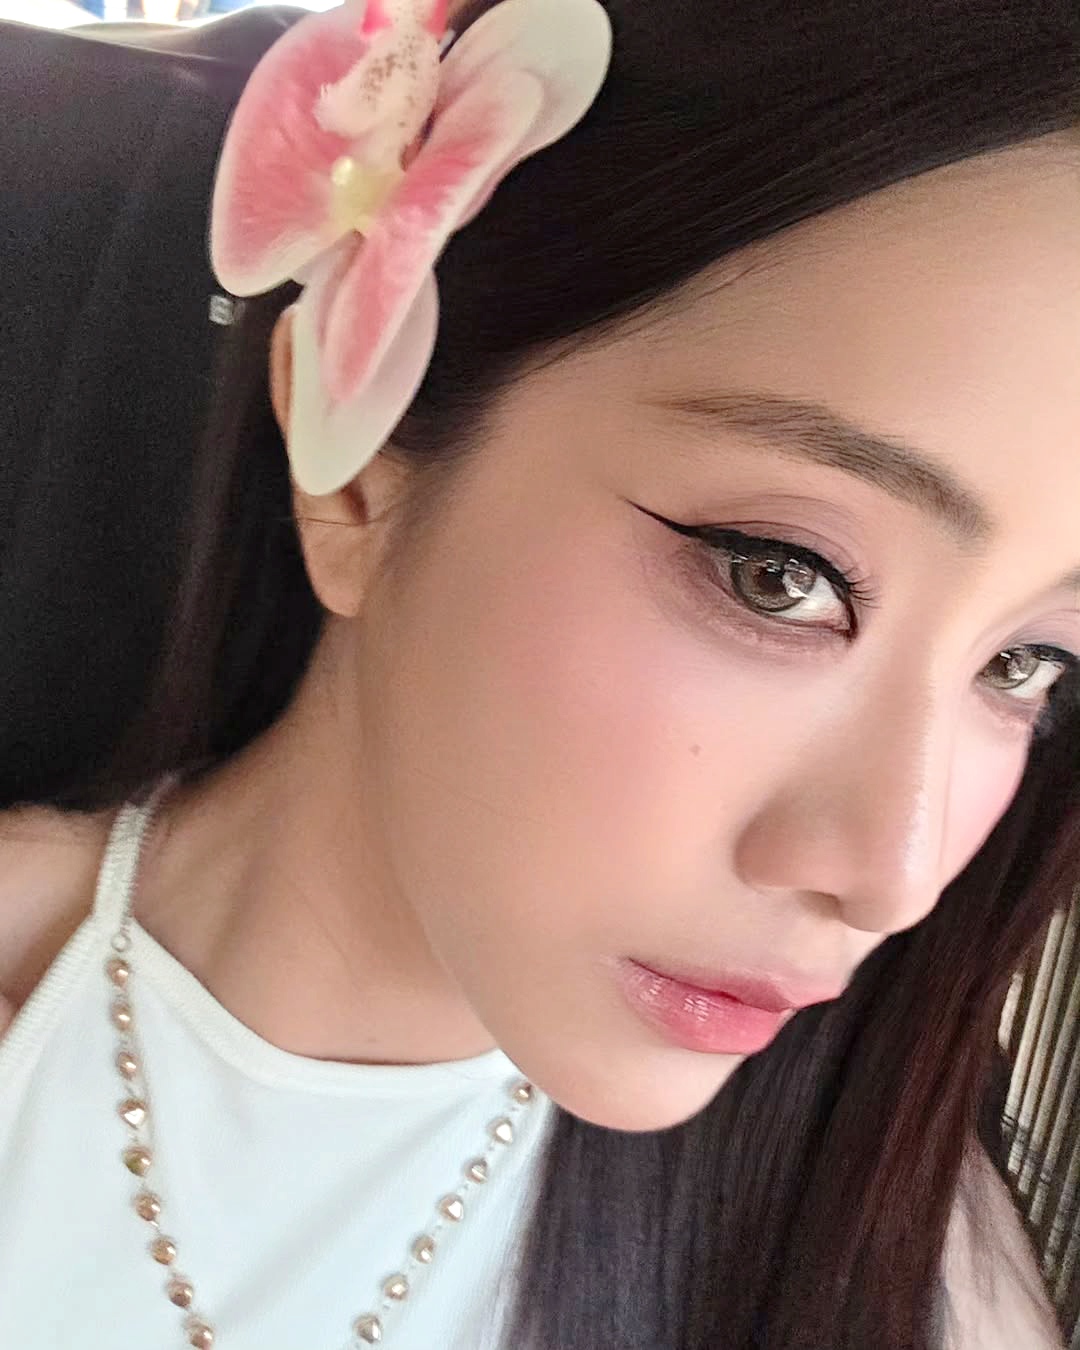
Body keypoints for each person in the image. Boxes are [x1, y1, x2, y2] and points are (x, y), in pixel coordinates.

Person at [0, 0, 1077, 1346]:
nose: (892, 875)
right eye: (779, 575)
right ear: (357, 461)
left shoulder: (907, 1272)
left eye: (1026, 661)